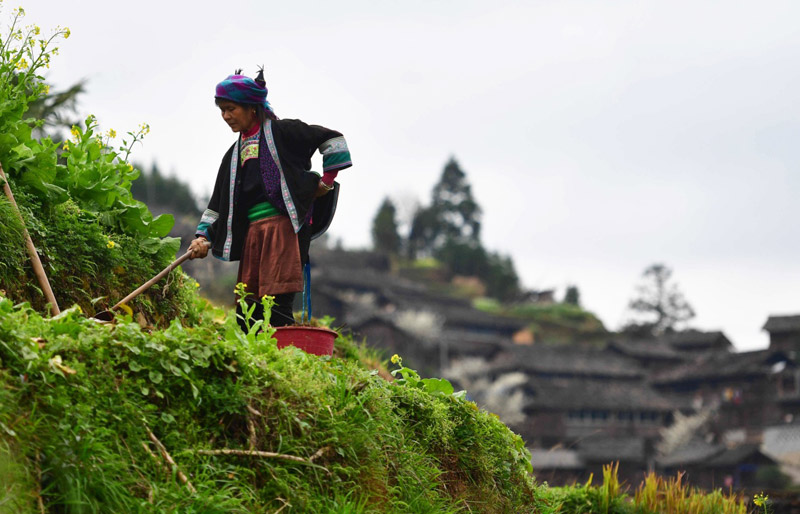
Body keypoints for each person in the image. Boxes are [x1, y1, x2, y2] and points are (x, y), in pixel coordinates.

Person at [188, 68, 351, 330]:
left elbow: (333, 140)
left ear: (252, 107)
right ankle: (257, 363)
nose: (226, 116)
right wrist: (202, 237)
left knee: (276, 309)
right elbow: (217, 206)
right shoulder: (232, 157)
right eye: (222, 110)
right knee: (246, 311)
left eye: (231, 109)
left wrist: (326, 182)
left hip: (283, 231)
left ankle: (286, 358)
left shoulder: (283, 132)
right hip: (253, 236)